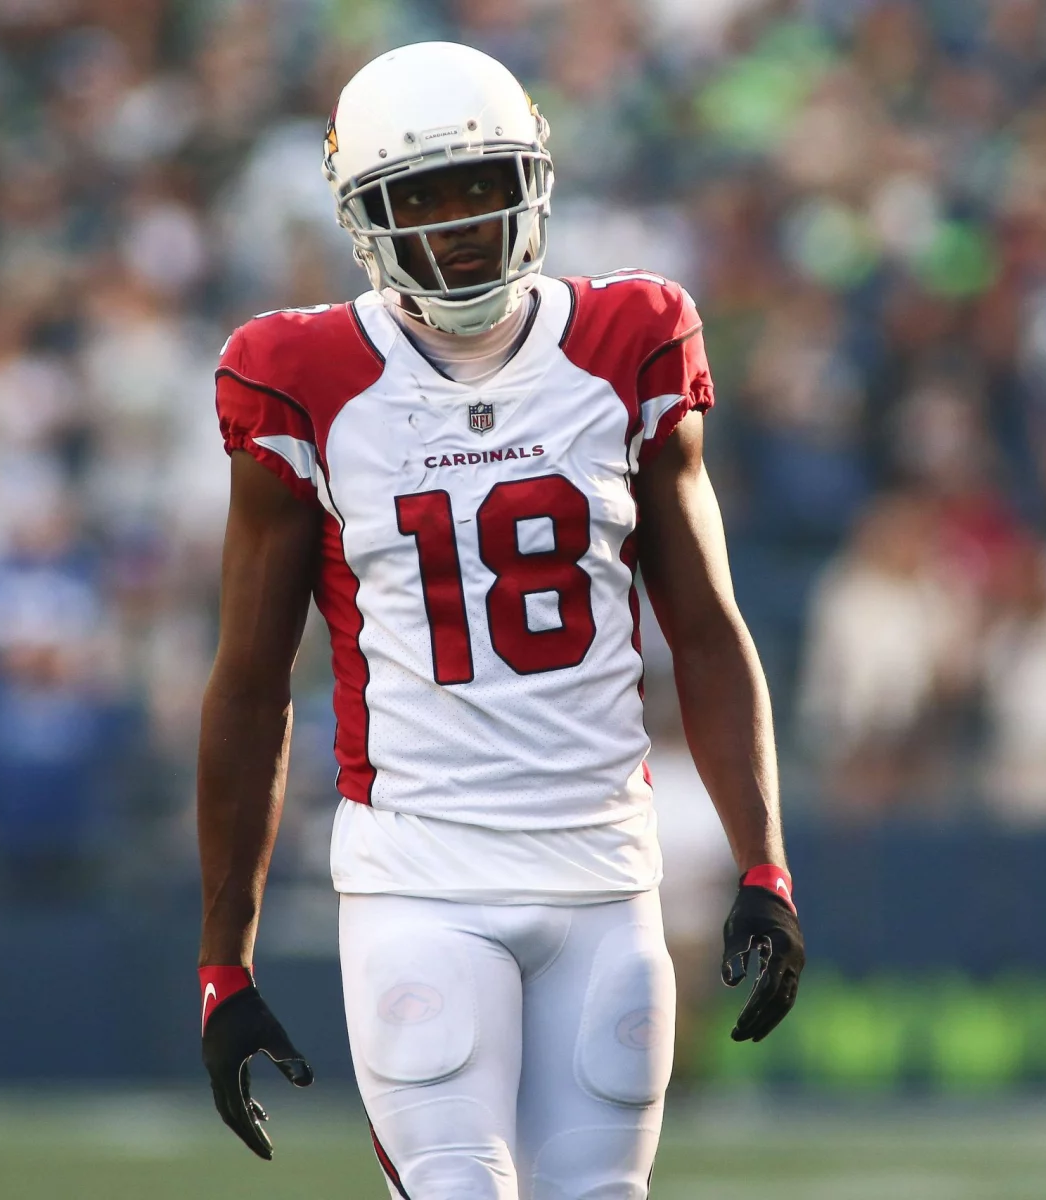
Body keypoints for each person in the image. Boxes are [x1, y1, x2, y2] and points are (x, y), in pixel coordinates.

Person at [195, 42, 805, 1197]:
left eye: (479, 184)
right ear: (362, 217)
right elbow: (250, 683)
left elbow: (708, 627)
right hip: (421, 874)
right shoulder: (302, 376)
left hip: (604, 875)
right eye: (418, 196)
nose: (459, 222)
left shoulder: (631, 339)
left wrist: (764, 865)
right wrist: (223, 962)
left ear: (533, 179)